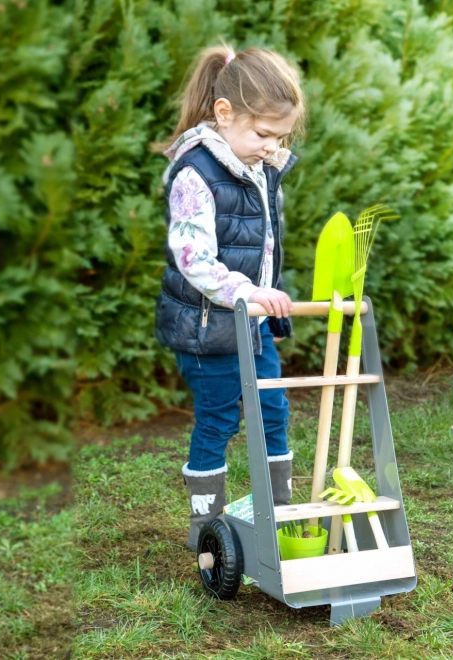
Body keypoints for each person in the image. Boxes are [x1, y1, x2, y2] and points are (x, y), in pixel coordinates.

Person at [154, 44, 306, 551]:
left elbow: (259, 246)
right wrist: (250, 292)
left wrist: (260, 300)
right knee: (219, 417)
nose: (271, 147)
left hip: (252, 322)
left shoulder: (260, 168)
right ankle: (209, 529)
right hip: (207, 328)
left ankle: (281, 512)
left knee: (274, 410)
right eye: (264, 134)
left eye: (280, 137)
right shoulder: (196, 173)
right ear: (224, 113)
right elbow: (194, 258)